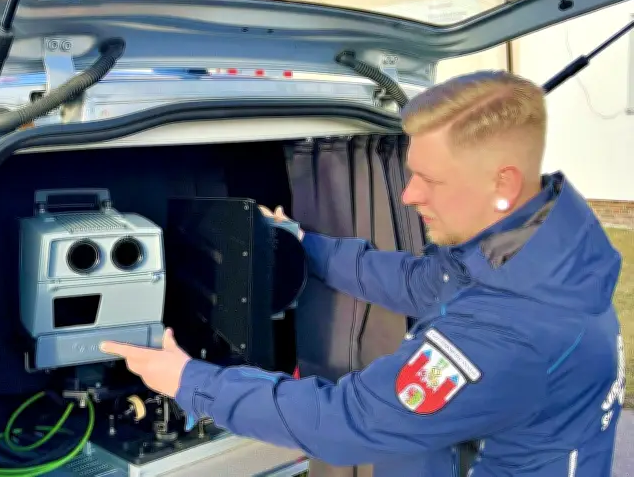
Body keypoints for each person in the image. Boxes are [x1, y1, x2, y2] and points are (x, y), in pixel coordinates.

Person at [101, 71, 626, 476]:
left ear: (502, 184)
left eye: (430, 179)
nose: (409, 195)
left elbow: (346, 421)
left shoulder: (509, 331)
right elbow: (420, 282)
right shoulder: (538, 251)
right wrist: (304, 246)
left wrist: (190, 381)